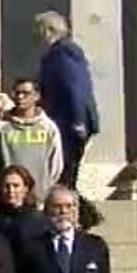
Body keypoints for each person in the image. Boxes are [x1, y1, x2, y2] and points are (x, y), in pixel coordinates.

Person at [34, 11, 99, 187]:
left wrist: (78, 121)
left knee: (65, 174)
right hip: (67, 122)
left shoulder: (62, 54)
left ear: (49, 31)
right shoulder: (63, 53)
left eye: (38, 31)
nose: (36, 38)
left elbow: (74, 88)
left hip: (68, 123)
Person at [0, 78, 64, 199]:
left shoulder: (48, 127)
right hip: (9, 195)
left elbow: (56, 163)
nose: (20, 97)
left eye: (25, 93)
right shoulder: (1, 126)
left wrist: (47, 187)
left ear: (36, 96)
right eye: (17, 93)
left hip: (40, 196)